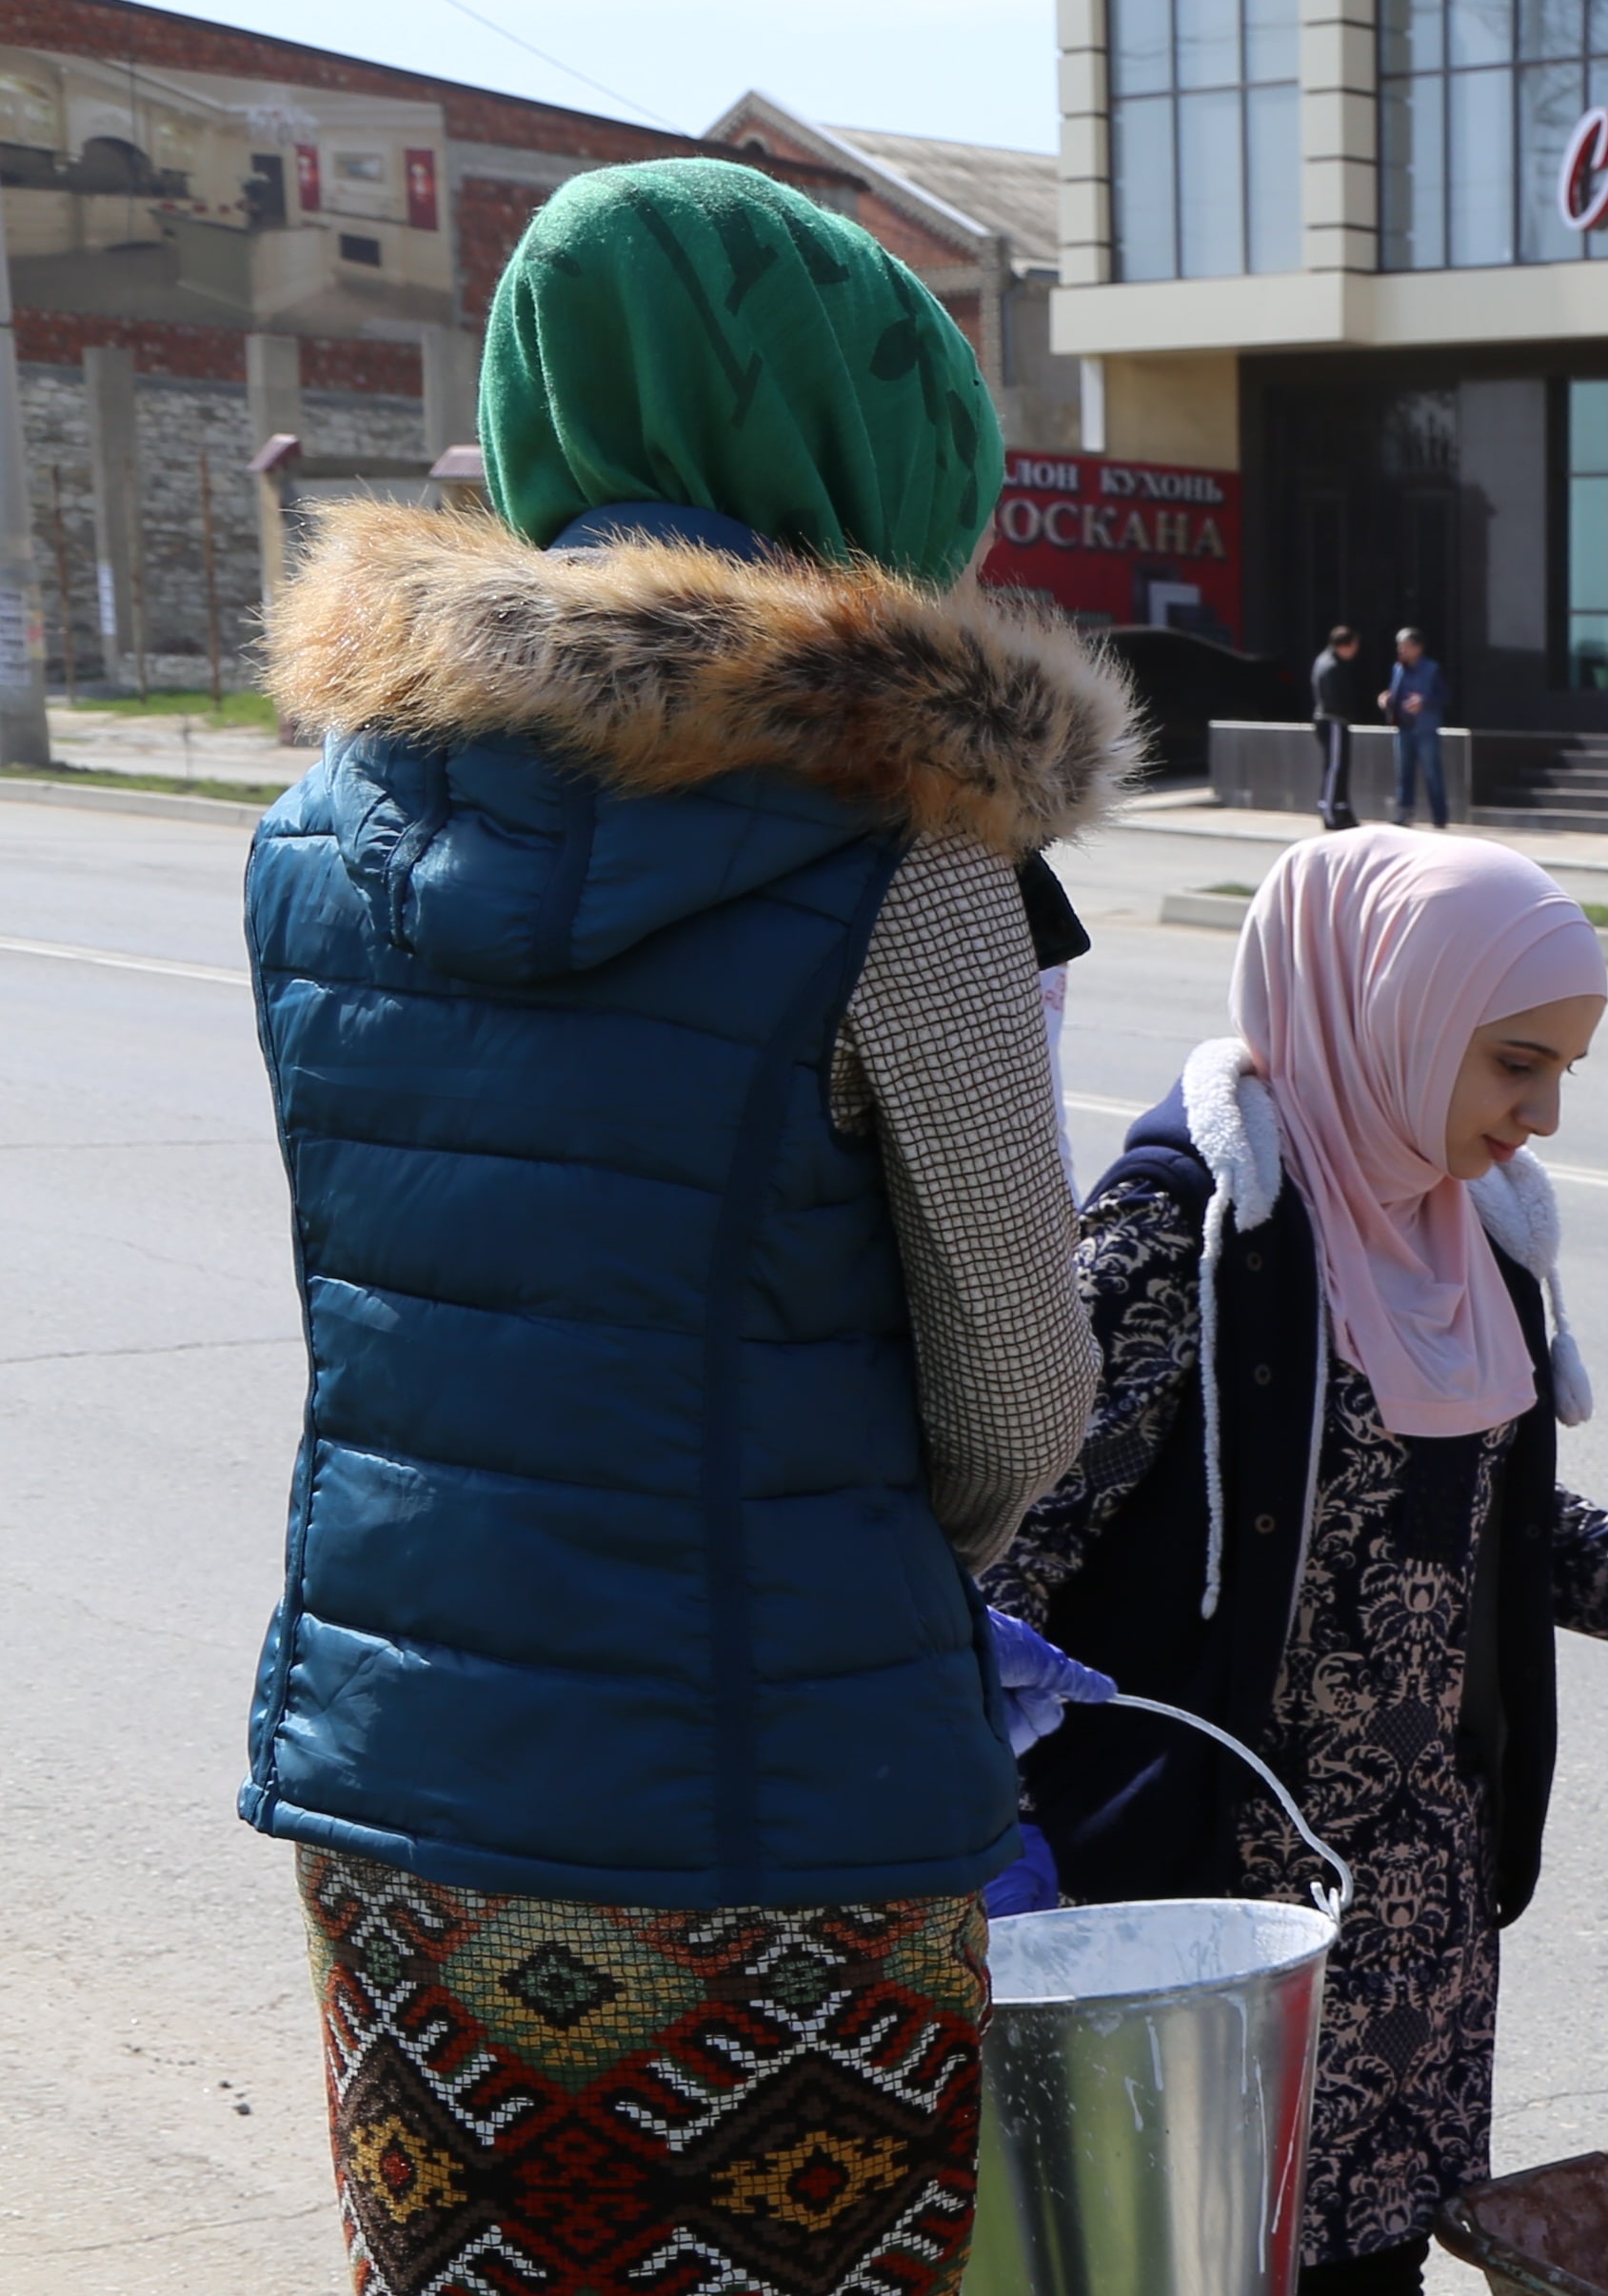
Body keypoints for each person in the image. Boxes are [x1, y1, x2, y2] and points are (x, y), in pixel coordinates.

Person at [241, 157, 1126, 2296]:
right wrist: (903, 1561)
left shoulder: (308, 837)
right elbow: (1018, 1393)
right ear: (864, 443)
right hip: (786, 1812)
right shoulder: (907, 864)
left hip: (407, 1794)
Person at [985, 826, 1608, 2295]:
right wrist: (978, 1805)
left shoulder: (1472, 1239)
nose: (1544, 1113)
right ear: (1389, 1013)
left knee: (1379, 2268)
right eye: (1515, 1063)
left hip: (1413, 1921)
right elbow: (1002, 1554)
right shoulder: (1183, 1242)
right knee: (1200, 2261)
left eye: (1564, 1069)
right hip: (1214, 1926)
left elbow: (1498, 1518)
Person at [1381, 625, 1453, 827]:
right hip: (1403, 728)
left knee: (1432, 773)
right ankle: (1404, 813)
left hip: (1425, 728)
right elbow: (1395, 694)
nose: (1400, 650)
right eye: (1399, 646)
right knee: (1404, 773)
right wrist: (1387, 699)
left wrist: (1424, 701)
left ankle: (1439, 817)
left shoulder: (1432, 669)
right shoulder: (1397, 669)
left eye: (1404, 646)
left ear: (1417, 648)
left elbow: (1444, 696)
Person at [1310, 623, 1379, 829]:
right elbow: (1333, 700)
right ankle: (1330, 812)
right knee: (1335, 768)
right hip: (1333, 721)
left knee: (1340, 768)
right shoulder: (1330, 666)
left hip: (1334, 721)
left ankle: (1341, 809)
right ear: (1344, 645)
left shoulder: (1327, 661)